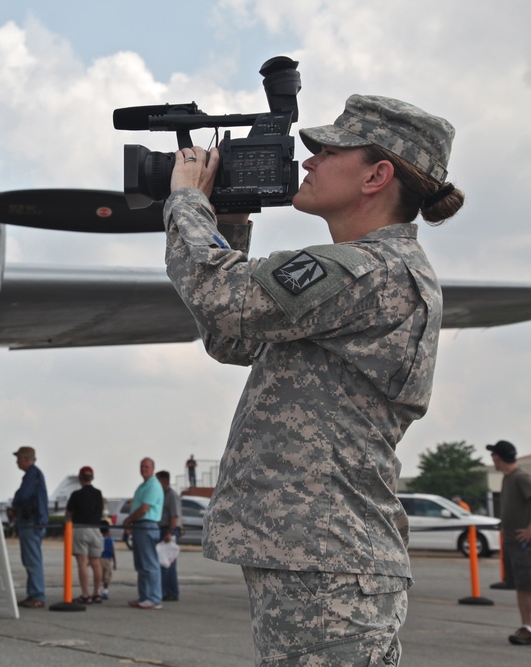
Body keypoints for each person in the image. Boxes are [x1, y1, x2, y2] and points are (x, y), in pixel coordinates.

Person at [163, 95, 463, 665]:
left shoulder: (372, 268)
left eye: (328, 151)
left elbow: (222, 299)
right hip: (316, 556)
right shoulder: (361, 271)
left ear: (377, 175)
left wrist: (187, 200)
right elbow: (235, 338)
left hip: (329, 562)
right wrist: (230, 220)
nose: (308, 162)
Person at [486, 440, 531, 645]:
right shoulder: (507, 479)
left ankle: (528, 628)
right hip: (513, 543)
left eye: (493, 456)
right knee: (521, 587)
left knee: (526, 588)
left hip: (524, 544)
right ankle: (526, 626)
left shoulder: (521, 477)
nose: (492, 459)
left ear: (497, 457)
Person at [9, 446, 48, 608]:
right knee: (32, 559)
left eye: (18, 458)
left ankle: (37, 595)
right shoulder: (35, 474)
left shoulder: (32, 474)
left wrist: (15, 506)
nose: (17, 461)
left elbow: (25, 495)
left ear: (25, 459)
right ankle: (34, 594)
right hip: (34, 522)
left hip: (31, 522)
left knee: (32, 560)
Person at [122, 457, 163, 609]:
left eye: (146, 466)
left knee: (149, 564)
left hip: (147, 526)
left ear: (153, 468)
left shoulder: (153, 485)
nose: (143, 469)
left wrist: (129, 520)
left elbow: (144, 508)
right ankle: (145, 596)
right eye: (141, 466)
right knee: (141, 565)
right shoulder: (143, 485)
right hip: (140, 526)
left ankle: (154, 598)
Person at [65, 466, 105, 603]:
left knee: (82, 562)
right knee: (96, 563)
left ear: (80, 478)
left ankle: (85, 594)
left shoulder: (76, 495)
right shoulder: (98, 494)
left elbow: (68, 514)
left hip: (80, 528)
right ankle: (97, 593)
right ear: (92, 478)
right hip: (95, 529)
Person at [156, 470, 182, 601]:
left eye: (158, 480)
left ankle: (171, 592)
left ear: (165, 481)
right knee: (162, 562)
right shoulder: (162, 494)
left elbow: (174, 516)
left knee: (168, 563)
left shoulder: (171, 495)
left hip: (169, 530)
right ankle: (165, 590)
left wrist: (169, 532)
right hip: (163, 529)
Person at [99, 520, 116, 600]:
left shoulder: (98, 538)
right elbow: (113, 551)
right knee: (107, 576)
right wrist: (115, 562)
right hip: (107, 559)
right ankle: (105, 591)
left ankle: (96, 591)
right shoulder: (110, 540)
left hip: (98, 558)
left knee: (99, 575)